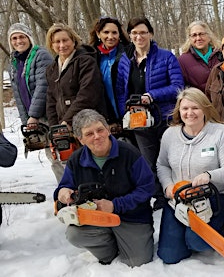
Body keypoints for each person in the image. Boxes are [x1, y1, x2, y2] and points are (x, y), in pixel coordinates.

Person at [54, 109, 155, 267]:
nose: (97, 136)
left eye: (100, 130)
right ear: (80, 139)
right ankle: (109, 251)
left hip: (131, 217)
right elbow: (65, 185)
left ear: (108, 130)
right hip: (94, 219)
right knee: (74, 235)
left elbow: (147, 187)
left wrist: (115, 205)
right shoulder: (76, 159)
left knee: (137, 262)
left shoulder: (129, 153)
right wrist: (63, 192)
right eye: (89, 134)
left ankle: (127, 243)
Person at [156, 87, 224, 264]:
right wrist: (167, 186)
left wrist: (209, 176)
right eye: (185, 108)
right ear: (179, 110)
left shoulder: (219, 132)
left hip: (217, 195)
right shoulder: (170, 134)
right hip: (181, 199)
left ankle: (223, 231)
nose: (190, 113)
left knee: (197, 242)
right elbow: (162, 164)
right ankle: (186, 235)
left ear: (205, 109)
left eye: (195, 108)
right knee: (169, 256)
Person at [115, 17, 184, 211]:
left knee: (169, 158)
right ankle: (159, 195)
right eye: (134, 33)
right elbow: (121, 91)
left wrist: (152, 96)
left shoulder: (166, 57)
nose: (139, 36)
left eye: (143, 32)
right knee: (148, 159)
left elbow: (178, 86)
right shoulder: (125, 61)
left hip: (165, 116)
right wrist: (125, 114)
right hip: (139, 119)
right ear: (130, 36)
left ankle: (177, 191)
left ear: (151, 34)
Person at [7, 23, 62, 181]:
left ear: (29, 38)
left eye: (22, 37)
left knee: (61, 153)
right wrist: (27, 120)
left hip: (51, 113)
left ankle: (74, 191)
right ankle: (65, 191)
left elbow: (43, 86)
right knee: (52, 157)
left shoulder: (41, 55)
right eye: (14, 38)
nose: (18, 41)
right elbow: (18, 94)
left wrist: (33, 115)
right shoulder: (15, 62)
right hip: (36, 118)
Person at [45, 23, 108, 127]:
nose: (62, 45)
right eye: (57, 42)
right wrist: (55, 127)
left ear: (73, 41)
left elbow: (87, 94)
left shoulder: (86, 61)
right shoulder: (51, 70)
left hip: (89, 123)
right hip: (64, 127)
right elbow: (51, 102)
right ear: (51, 45)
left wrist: (67, 121)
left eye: (65, 40)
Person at [88, 16, 131, 129]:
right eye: (106, 32)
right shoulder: (92, 58)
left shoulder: (129, 53)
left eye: (114, 33)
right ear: (98, 34)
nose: (110, 37)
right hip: (105, 117)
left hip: (129, 113)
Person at [178, 21, 222, 92]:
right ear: (189, 38)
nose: (198, 38)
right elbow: (182, 89)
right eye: (194, 35)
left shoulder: (221, 54)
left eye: (201, 34)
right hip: (200, 102)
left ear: (209, 36)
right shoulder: (183, 61)